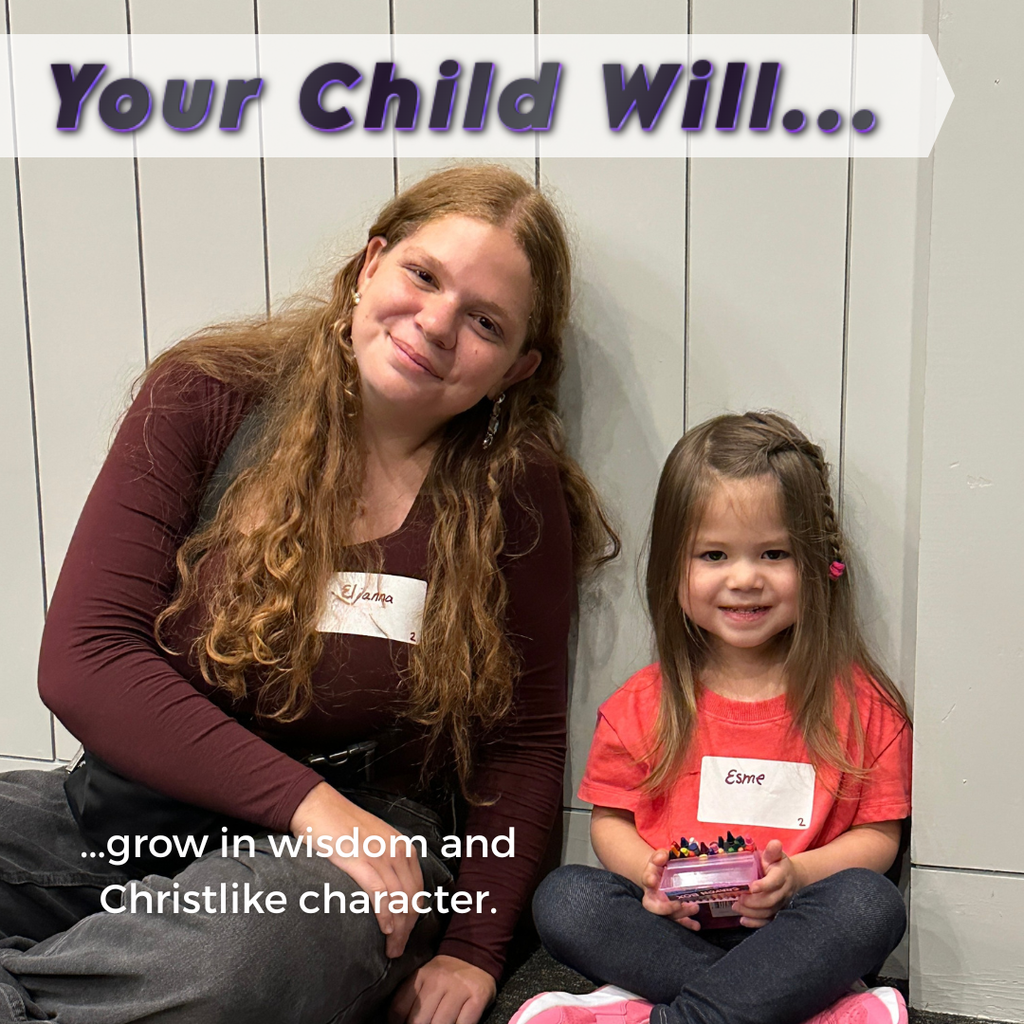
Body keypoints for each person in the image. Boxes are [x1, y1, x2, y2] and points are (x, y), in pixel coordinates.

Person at [0, 165, 617, 1024]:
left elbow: (522, 742)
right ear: (369, 266)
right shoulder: (206, 394)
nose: (436, 324)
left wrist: (476, 951)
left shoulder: (513, 488)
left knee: (237, 959)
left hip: (365, 854)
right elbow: (87, 660)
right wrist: (307, 805)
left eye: (485, 322)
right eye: (422, 275)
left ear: (516, 369)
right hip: (135, 813)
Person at [526, 412, 912, 1024]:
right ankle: (791, 1009)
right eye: (714, 554)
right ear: (673, 569)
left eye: (774, 553)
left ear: (818, 563)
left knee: (871, 904)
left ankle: (679, 1016)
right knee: (565, 899)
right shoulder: (641, 705)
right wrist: (644, 875)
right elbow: (611, 824)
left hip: (794, 931)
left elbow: (879, 841)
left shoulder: (863, 709)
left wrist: (799, 875)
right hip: (672, 932)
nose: (744, 578)